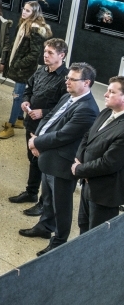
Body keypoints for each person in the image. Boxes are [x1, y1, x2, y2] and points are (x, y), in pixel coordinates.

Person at [20, 62, 99, 256]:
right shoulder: (67, 97)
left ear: (86, 83)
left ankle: (59, 240)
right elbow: (49, 119)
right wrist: (36, 139)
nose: (67, 82)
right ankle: (45, 227)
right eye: (67, 78)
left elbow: (63, 135)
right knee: (47, 198)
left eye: (73, 79)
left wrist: (37, 143)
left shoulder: (87, 109)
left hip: (63, 163)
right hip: (49, 157)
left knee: (61, 205)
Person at [9, 38, 69, 215]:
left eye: (50, 53)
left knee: (44, 165)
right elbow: (29, 88)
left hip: (48, 129)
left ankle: (44, 203)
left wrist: (43, 112)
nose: (45, 55)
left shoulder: (65, 79)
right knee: (33, 160)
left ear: (62, 55)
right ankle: (31, 192)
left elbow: (64, 108)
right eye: (45, 52)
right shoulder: (41, 70)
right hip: (31, 124)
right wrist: (26, 100)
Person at [74, 76, 124, 234]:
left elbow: (109, 163)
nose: (105, 94)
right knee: (83, 227)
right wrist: (80, 161)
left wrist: (81, 169)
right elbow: (86, 137)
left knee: (96, 237)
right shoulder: (106, 113)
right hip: (87, 185)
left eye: (111, 91)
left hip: (104, 194)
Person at [0, 0, 52, 139]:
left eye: (28, 10)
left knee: (17, 97)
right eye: (24, 9)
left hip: (24, 70)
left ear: (34, 13)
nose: (24, 12)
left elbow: (35, 54)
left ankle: (10, 126)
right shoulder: (24, 25)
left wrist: (19, 64)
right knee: (20, 95)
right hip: (20, 68)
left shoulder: (34, 29)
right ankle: (19, 120)